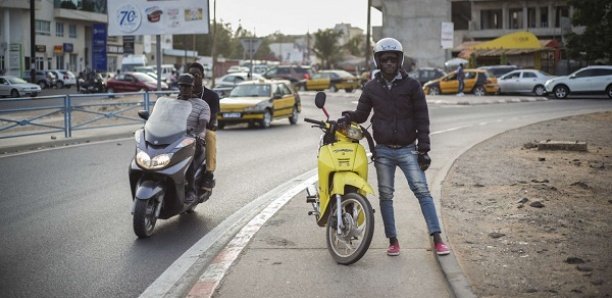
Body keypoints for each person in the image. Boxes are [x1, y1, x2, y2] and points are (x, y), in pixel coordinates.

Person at [339, 37, 450, 256]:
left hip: (409, 148)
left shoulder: (412, 86)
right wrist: (346, 117)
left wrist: (424, 149)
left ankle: (437, 239)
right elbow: (362, 115)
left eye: (393, 59)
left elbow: (422, 118)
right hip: (383, 151)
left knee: (422, 192)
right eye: (384, 59)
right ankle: (393, 241)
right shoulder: (370, 87)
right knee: (386, 195)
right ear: (378, 61)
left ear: (399, 60)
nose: (389, 62)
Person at [176, 73, 211, 200]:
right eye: (182, 87)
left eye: (187, 87)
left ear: (192, 87)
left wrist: (198, 135)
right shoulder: (173, 104)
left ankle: (190, 190)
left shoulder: (202, 105)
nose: (184, 89)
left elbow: (203, 125)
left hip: (193, 141)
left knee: (187, 153)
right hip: (173, 140)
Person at [187, 62, 219, 192]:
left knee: (210, 135)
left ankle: (208, 173)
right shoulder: (183, 94)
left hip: (202, 130)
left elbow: (213, 117)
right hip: (183, 131)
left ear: (202, 76)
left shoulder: (211, 96)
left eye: (196, 75)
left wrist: (209, 124)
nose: (194, 78)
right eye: (191, 75)